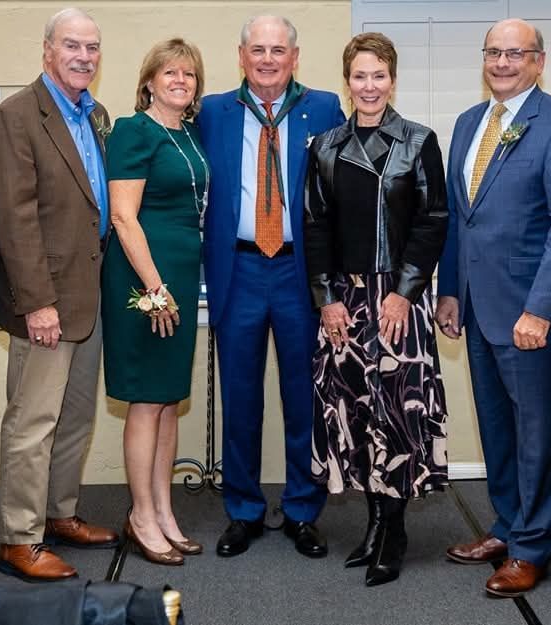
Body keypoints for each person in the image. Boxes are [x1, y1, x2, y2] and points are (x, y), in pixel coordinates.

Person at [436, 18, 551, 596]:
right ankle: (506, 526)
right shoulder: (466, 124)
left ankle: (533, 547)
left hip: (532, 314)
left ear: (539, 60)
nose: (503, 63)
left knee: (536, 435)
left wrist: (540, 308)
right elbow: (462, 216)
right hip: (478, 309)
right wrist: (450, 291)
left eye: (516, 53)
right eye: (494, 53)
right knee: (497, 429)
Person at [197, 15, 345, 558]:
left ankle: (303, 510)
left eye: (277, 50)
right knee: (239, 396)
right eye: (256, 50)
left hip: (298, 273)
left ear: (294, 57)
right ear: (241, 56)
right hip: (237, 271)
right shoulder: (212, 111)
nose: (266, 59)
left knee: (304, 396)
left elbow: (339, 192)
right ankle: (244, 510)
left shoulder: (324, 107)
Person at [304, 32, 449, 586]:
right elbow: (315, 225)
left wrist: (404, 290)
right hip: (344, 303)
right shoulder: (324, 145)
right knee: (356, 414)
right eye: (360, 76)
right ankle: (371, 525)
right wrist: (327, 298)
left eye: (379, 75)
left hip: (397, 302)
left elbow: (433, 220)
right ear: (348, 81)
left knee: (397, 415)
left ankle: (396, 531)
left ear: (392, 79)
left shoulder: (418, 141)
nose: (369, 86)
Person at [0, 7, 118, 582]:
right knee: (31, 421)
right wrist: (37, 301)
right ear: (47, 51)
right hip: (46, 302)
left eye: (91, 47)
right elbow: (13, 221)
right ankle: (19, 538)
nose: (83, 56)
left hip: (88, 300)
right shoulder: (16, 116)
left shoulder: (96, 115)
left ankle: (60, 514)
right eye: (72, 46)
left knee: (76, 417)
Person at [101, 38, 208, 567]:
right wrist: (155, 286)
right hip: (145, 281)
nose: (180, 81)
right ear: (149, 80)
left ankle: (164, 510)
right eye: (170, 72)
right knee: (146, 398)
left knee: (168, 399)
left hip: (181, 279)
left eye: (189, 75)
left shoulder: (186, 132)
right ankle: (141, 515)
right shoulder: (133, 130)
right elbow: (123, 216)